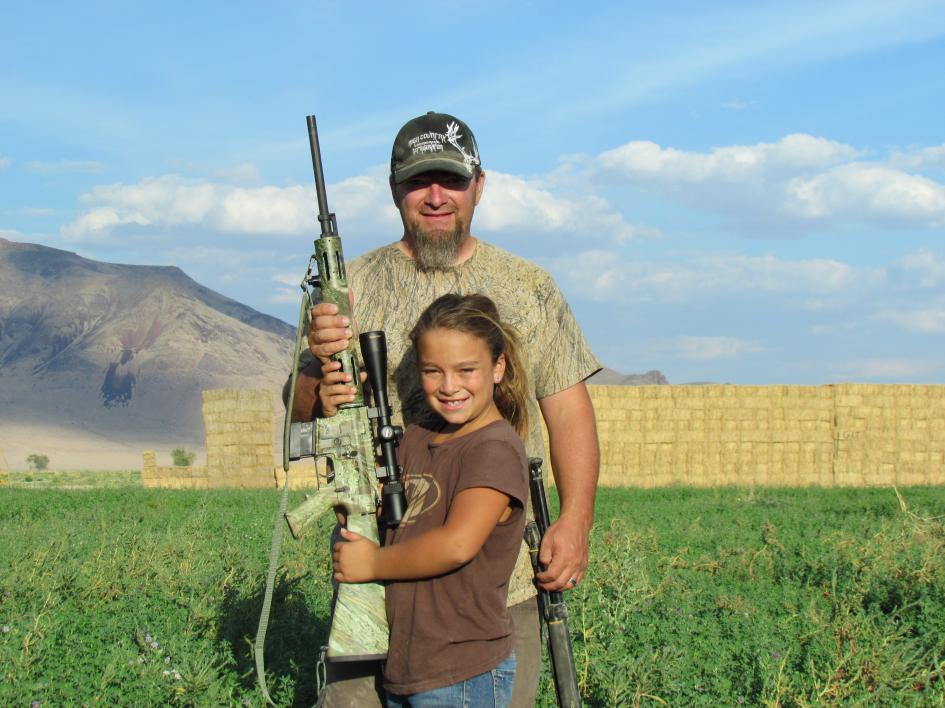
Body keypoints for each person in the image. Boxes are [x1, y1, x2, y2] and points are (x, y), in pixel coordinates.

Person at [290, 111, 600, 707]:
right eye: (418, 181)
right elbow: (301, 415)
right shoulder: (348, 289)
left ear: (478, 186)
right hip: (380, 567)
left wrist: (576, 520)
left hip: (496, 587)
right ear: (393, 190)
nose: (436, 197)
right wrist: (316, 375)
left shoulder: (529, 286)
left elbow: (568, 411)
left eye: (451, 181)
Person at [328, 294, 529, 706]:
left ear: (498, 367)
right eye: (432, 371)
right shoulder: (418, 438)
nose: (449, 385)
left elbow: (457, 545)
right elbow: (387, 515)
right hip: (409, 665)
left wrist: (372, 563)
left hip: (462, 669)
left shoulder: (494, 447)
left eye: (466, 370)